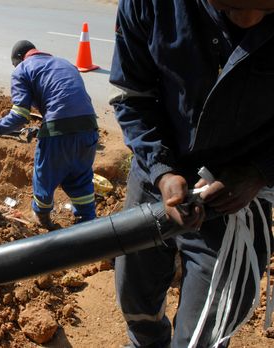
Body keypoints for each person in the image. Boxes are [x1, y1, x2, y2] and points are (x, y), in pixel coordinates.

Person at [110, 0, 274, 347]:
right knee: (136, 295)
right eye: (231, 5)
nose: (248, 19)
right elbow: (134, 93)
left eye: (266, 6)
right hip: (157, 177)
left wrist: (259, 171)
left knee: (206, 329)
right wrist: (161, 171)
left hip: (236, 197)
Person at [0, 40, 99, 228]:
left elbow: (19, 115)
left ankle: (43, 221)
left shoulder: (22, 69)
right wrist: (43, 128)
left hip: (59, 132)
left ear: (19, 59)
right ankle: (89, 225)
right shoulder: (65, 63)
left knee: (44, 177)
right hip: (89, 128)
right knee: (80, 176)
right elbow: (67, 100)